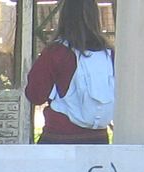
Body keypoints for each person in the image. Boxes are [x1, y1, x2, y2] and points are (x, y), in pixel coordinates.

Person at [24, 0, 113, 144]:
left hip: (59, 137)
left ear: (64, 17)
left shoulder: (56, 52)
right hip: (99, 139)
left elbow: (35, 95)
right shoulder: (110, 55)